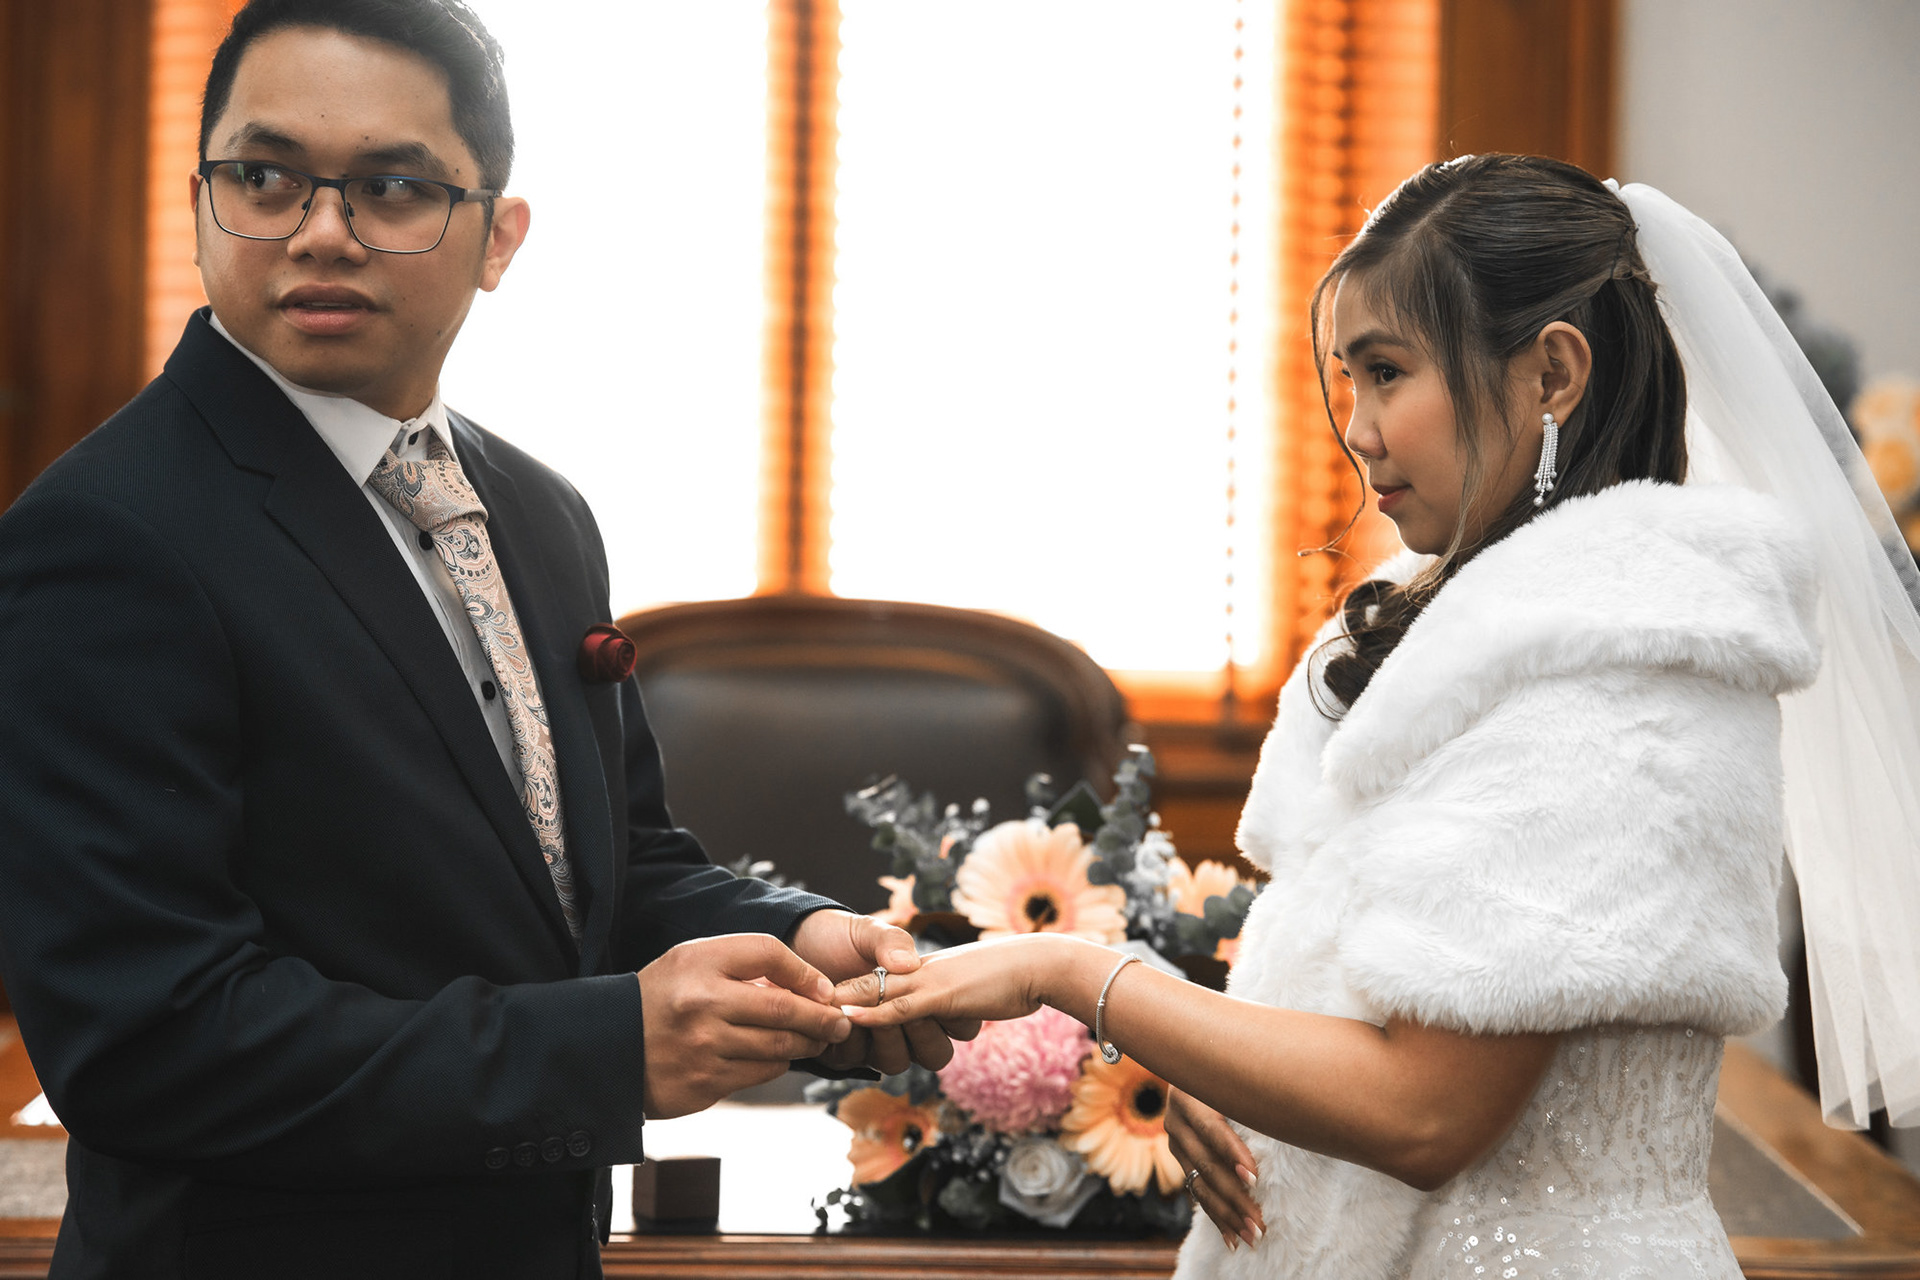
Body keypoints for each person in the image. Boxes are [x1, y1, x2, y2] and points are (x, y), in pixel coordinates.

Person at [0, 2, 965, 1277]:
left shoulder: (538, 512)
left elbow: (595, 874)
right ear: (200, 202)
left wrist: (796, 933)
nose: (322, 230)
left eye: (393, 187)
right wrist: (610, 1049)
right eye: (266, 178)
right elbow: (151, 1043)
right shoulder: (104, 534)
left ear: (498, 237)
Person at [838, 154, 1920, 1278]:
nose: (1357, 429)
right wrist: (1226, 1071)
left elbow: (1425, 1112)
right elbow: (1373, 1002)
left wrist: (1071, 973)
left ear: (1552, 373)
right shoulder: (1473, 647)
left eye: (1388, 372)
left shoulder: (1620, 684)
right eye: (1348, 380)